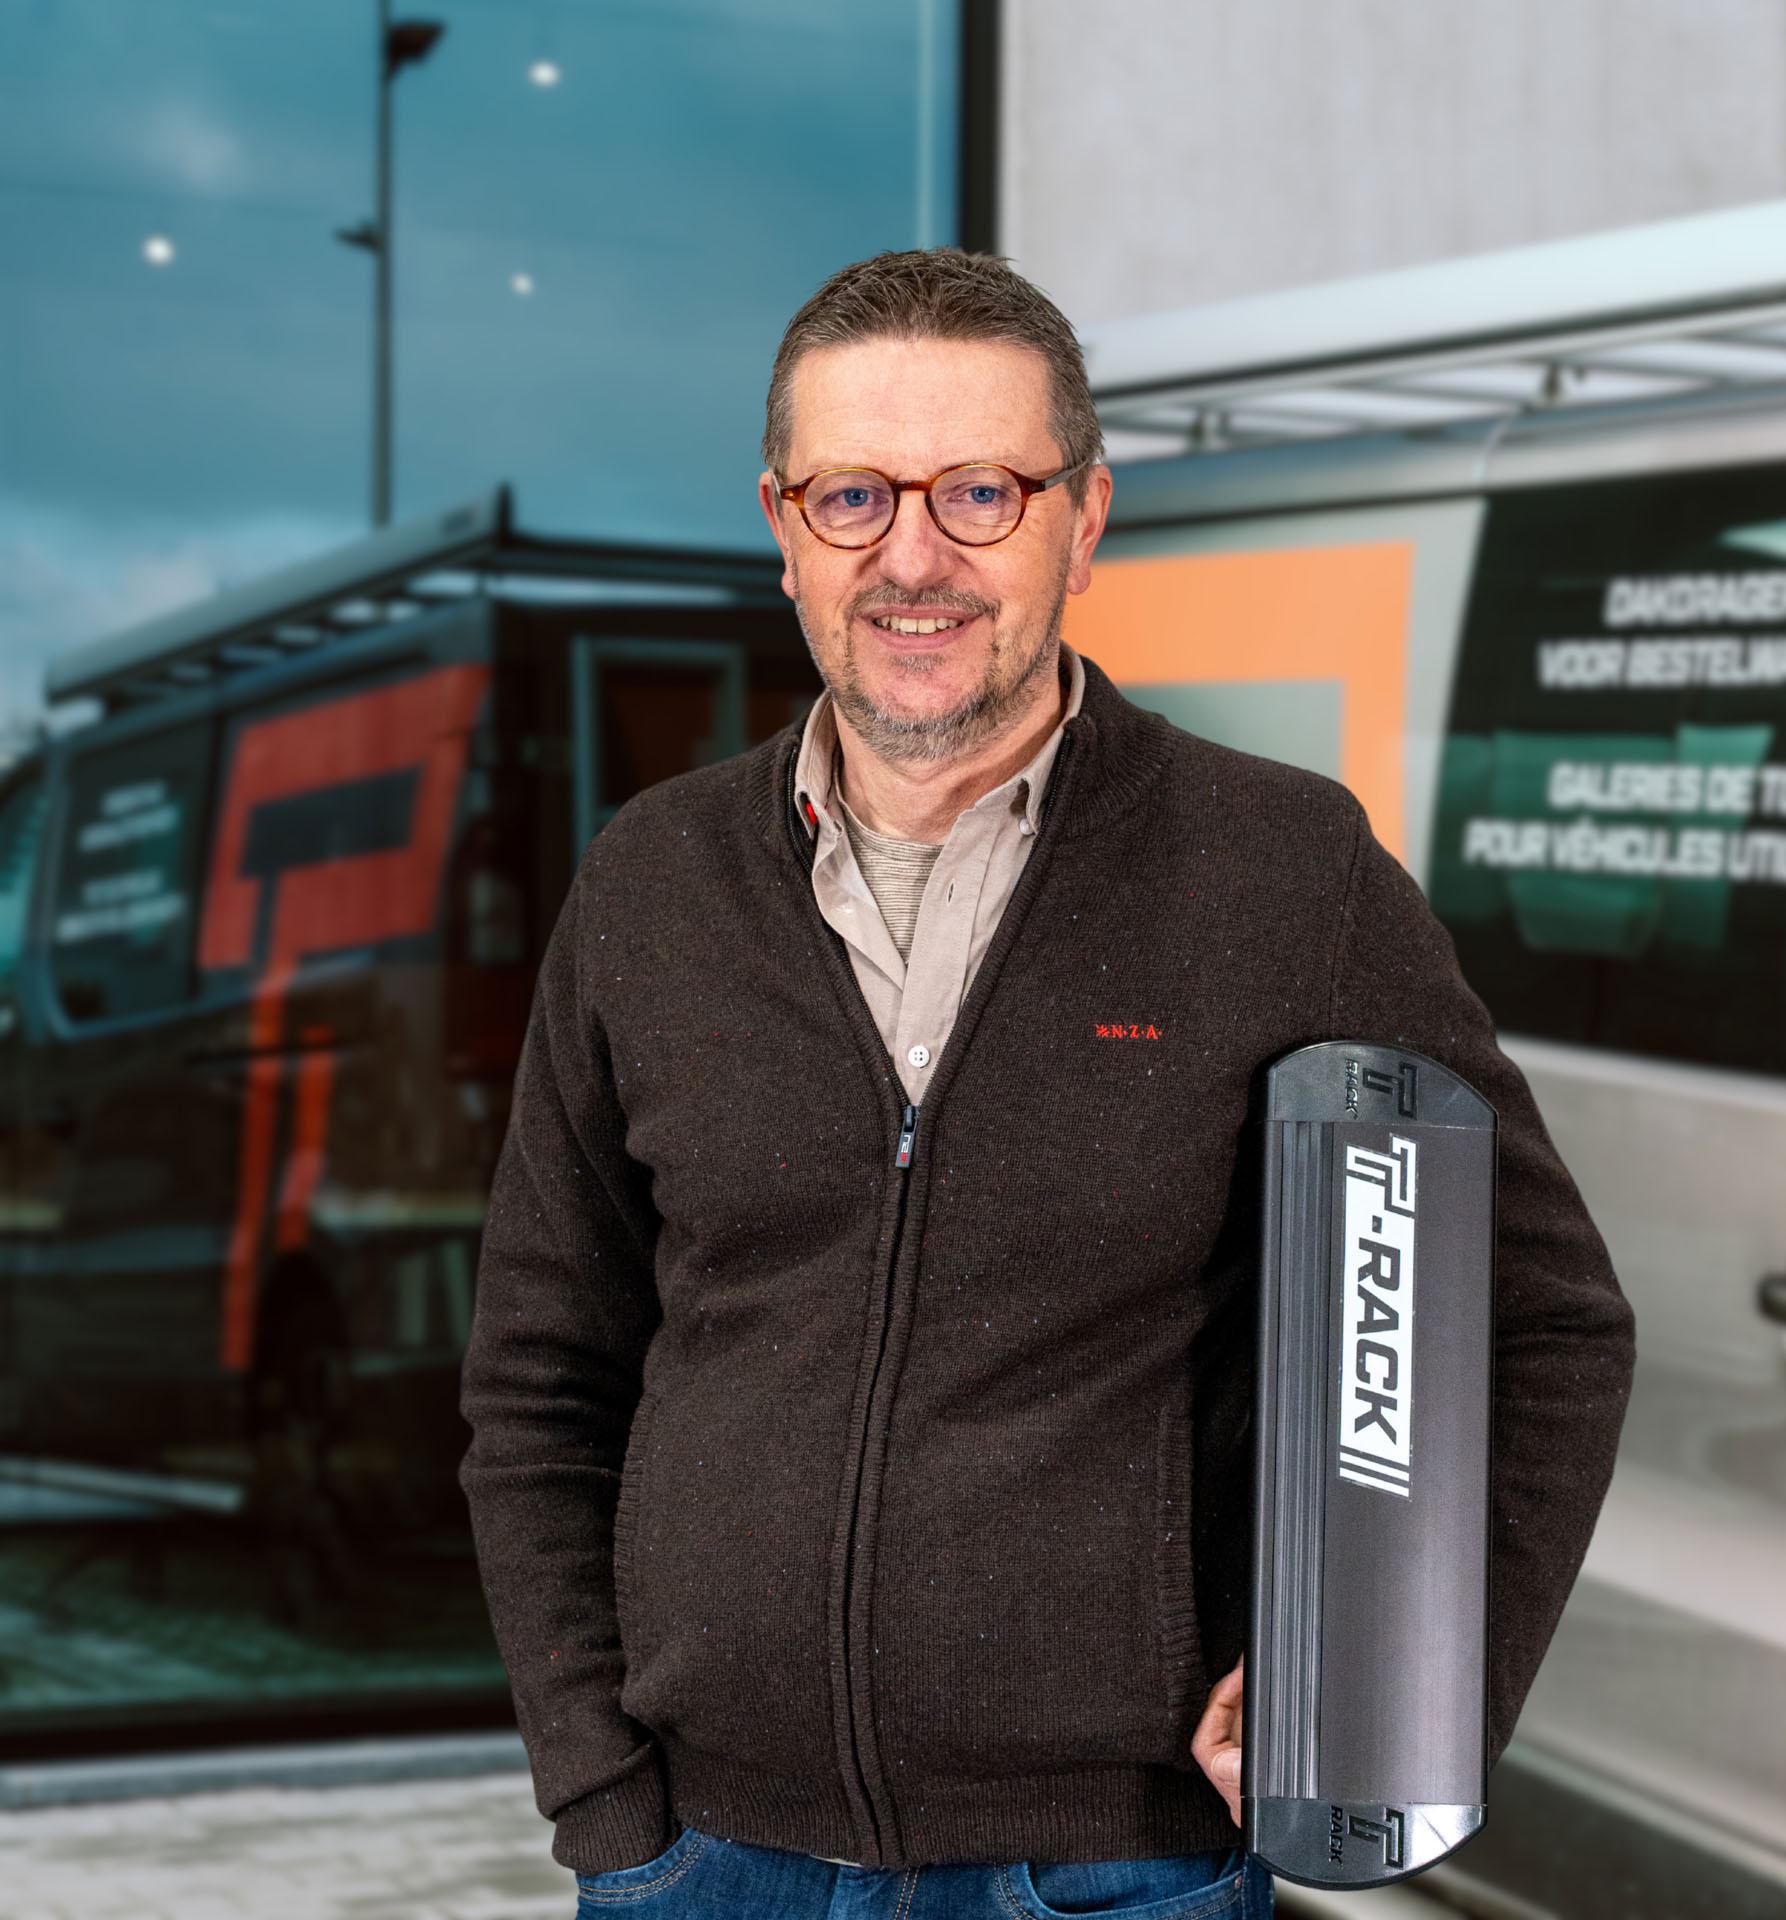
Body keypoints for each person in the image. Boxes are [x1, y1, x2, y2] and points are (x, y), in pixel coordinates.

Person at [457, 247, 1637, 1919]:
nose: (912, 558)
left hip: (1104, 1873)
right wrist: (599, 1787)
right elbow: (541, 1369)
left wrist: (1390, 1704)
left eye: (981, 492)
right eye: (854, 496)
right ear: (784, 529)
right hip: (706, 1864)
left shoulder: (1282, 871)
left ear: (1084, 521)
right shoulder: (652, 881)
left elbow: (1545, 1326)